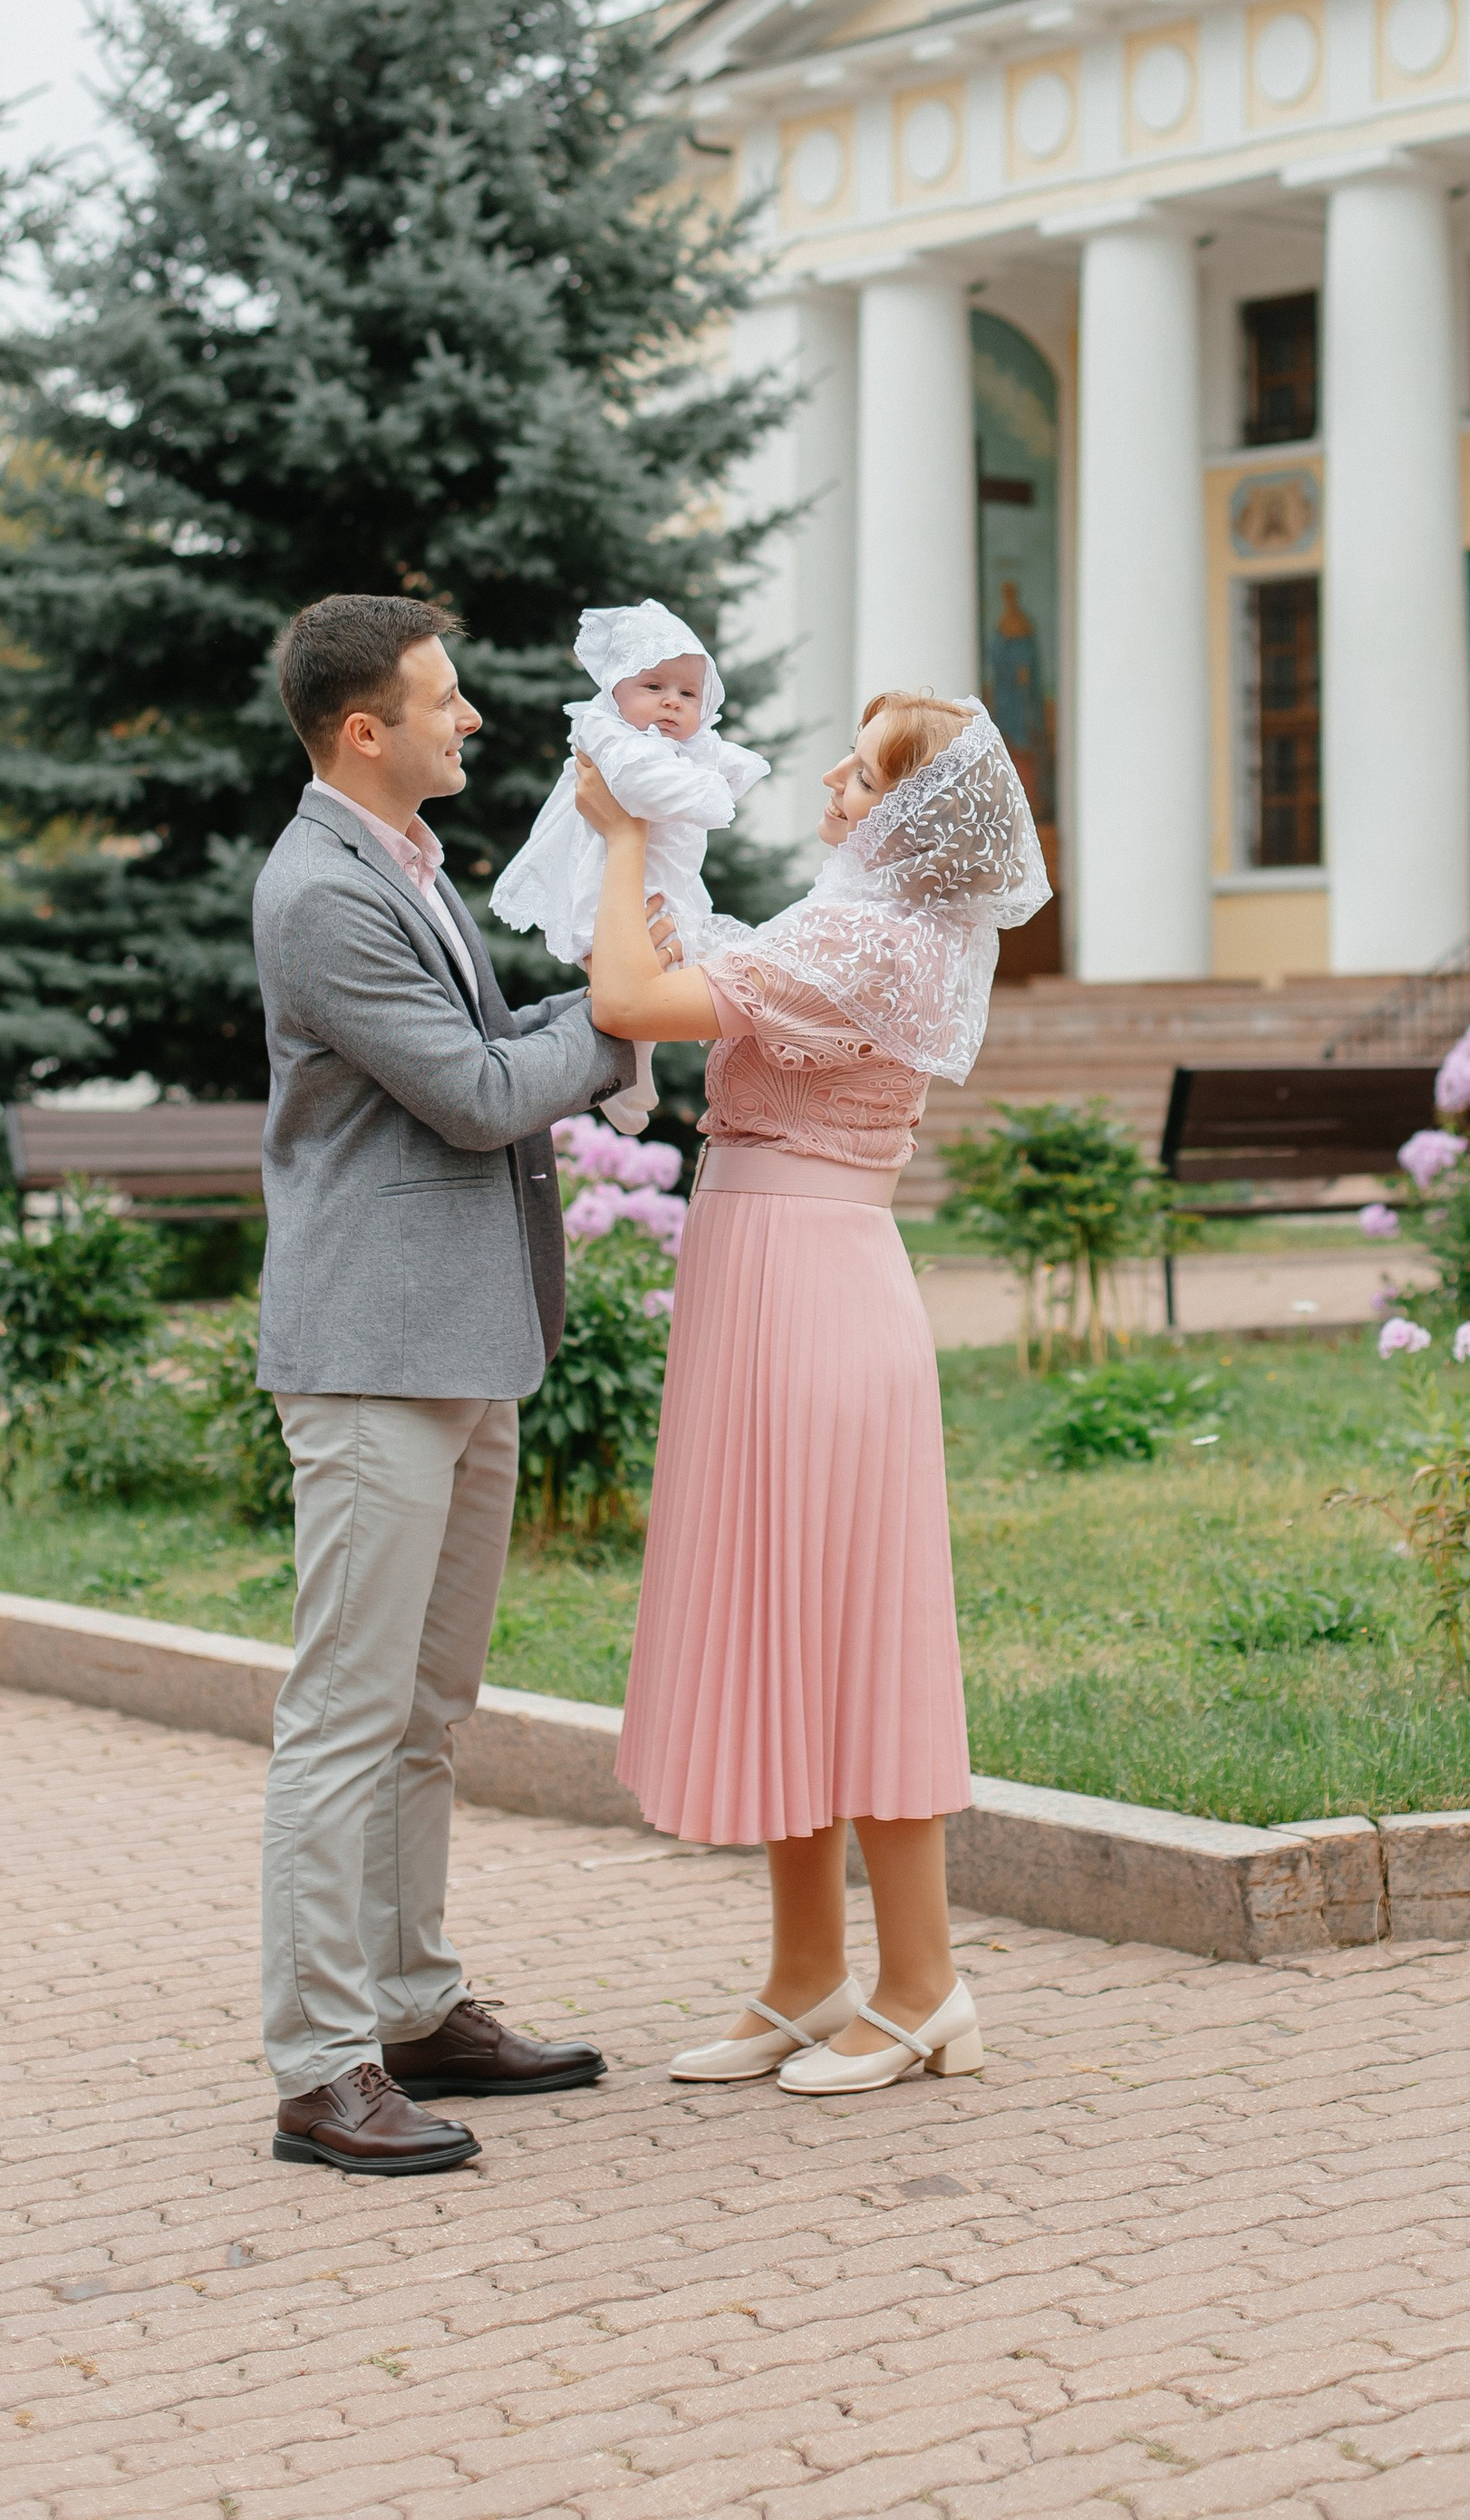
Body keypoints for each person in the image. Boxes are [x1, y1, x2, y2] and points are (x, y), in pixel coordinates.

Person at [574, 690, 1050, 2095]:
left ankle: (923, 1986)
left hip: (812, 1286)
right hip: (768, 1274)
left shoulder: (870, 939)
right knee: (787, 1624)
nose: (836, 785)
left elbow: (625, 1002)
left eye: (866, 774)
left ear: (917, 818)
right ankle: (805, 1976)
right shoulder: (854, 924)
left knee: (848, 1632)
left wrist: (620, 834)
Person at [251, 593, 638, 2176]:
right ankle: (319, 2063)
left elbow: (481, 1036)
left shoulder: (403, 861)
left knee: (425, 1709)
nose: (470, 716)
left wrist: (609, 1000)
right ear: (365, 731)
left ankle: (412, 2007)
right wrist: (622, 1024)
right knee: (345, 1715)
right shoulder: (319, 892)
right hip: (372, 1356)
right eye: (444, 697)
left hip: (463, 1341)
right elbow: (477, 1095)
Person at [489, 599, 768, 1134]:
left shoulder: (687, 744)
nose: (672, 702)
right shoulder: (606, 731)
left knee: (662, 969)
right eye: (654, 686)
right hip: (605, 879)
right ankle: (625, 1069)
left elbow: (729, 763)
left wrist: (733, 768)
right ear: (616, 687)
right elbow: (643, 787)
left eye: (688, 694)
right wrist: (712, 791)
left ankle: (630, 1066)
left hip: (660, 877)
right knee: (629, 971)